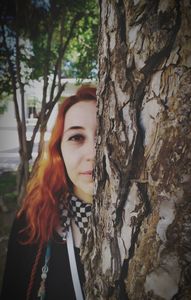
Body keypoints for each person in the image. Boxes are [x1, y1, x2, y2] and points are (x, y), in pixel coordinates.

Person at [1, 86, 97, 300]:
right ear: (58, 151)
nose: (93, 153)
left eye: (105, 134)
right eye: (76, 137)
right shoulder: (32, 223)